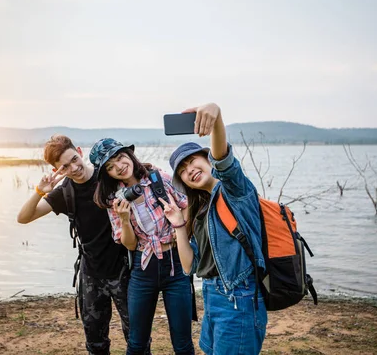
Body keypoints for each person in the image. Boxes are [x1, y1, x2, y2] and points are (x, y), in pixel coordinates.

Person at [161, 103, 267, 355]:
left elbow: (225, 162)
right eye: (183, 171)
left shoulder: (234, 192)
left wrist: (216, 114)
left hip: (238, 297)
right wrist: (178, 225)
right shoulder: (200, 212)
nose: (189, 171)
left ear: (207, 158)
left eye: (191, 161)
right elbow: (190, 266)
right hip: (211, 295)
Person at [17, 134, 131, 355]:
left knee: (136, 338)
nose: (74, 168)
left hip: (124, 269)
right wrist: (40, 191)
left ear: (79, 151)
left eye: (74, 159)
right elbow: (23, 217)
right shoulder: (64, 192)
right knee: (95, 343)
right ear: (57, 170)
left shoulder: (106, 176)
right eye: (65, 167)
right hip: (91, 274)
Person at [90, 138, 195, 355]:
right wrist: (125, 219)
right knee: (137, 342)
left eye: (120, 158)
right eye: (110, 167)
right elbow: (129, 244)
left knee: (183, 342)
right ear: (107, 174)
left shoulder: (157, 177)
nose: (119, 166)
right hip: (143, 267)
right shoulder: (115, 200)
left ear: (129, 154)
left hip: (176, 264)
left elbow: (187, 205)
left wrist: (179, 230)